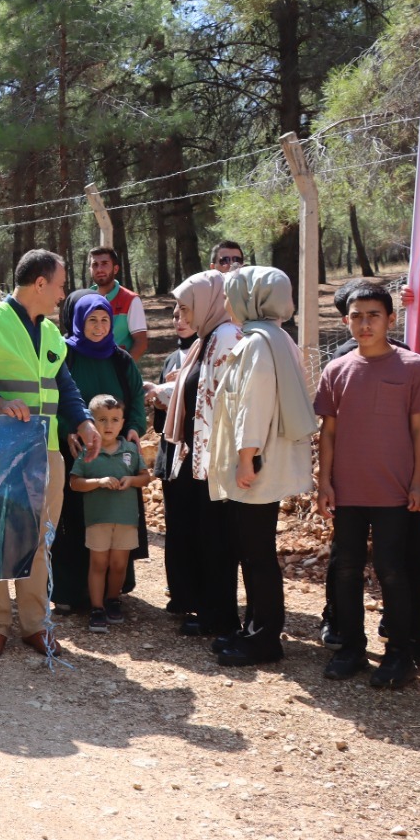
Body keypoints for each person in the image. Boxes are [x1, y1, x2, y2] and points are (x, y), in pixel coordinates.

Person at [0, 249, 99, 660]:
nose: (62, 292)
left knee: (39, 539)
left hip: (46, 450)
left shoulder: (53, 333)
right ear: (39, 284)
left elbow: (65, 387)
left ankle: (35, 625)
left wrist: (84, 420)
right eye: (60, 284)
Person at [314, 283, 420, 687]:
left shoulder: (412, 365)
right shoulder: (337, 368)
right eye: (356, 316)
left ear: (390, 318)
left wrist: (419, 482)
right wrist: (324, 482)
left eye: (373, 315)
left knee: (392, 570)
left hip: (396, 491)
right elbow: (327, 432)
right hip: (348, 491)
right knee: (346, 567)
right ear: (346, 320)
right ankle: (351, 647)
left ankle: (399, 654)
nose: (364, 324)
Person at [207, 266, 319, 668]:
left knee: (256, 554)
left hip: (256, 464)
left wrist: (245, 459)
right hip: (262, 461)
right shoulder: (276, 338)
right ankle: (253, 629)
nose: (226, 303)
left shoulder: (257, 343)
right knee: (254, 551)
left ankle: (263, 639)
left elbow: (252, 407)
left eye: (231, 293)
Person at [50, 292, 146, 614]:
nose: (99, 326)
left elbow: (136, 399)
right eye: (92, 319)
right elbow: (54, 395)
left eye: (105, 319)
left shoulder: (121, 359)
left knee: (112, 514)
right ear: (78, 320)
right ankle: (69, 590)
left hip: (116, 453)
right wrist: (68, 429)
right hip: (75, 451)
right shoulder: (65, 355)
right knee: (72, 519)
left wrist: (133, 427)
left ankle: (112, 593)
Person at [160, 271, 243, 639]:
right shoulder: (207, 338)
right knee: (207, 535)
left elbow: (221, 399)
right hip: (203, 456)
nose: (182, 314)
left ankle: (220, 616)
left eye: (186, 306)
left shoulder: (224, 337)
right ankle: (210, 610)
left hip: (216, 458)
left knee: (217, 539)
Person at [69, 395, 151, 632]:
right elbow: (75, 483)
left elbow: (146, 477)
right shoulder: (87, 452)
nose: (109, 425)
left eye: (114, 420)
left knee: (118, 564)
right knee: (98, 564)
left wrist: (131, 480)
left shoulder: (130, 450)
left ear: (123, 422)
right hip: (98, 519)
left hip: (126, 519)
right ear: (91, 423)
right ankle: (96, 608)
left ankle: (113, 600)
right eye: (102, 420)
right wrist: (98, 481)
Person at [147, 301, 196, 615]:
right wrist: (163, 400)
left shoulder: (215, 354)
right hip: (171, 453)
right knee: (176, 527)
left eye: (186, 314)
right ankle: (179, 594)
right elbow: (160, 423)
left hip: (198, 454)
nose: (179, 321)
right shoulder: (170, 359)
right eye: (175, 316)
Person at [86, 248, 148, 358]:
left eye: (104, 264)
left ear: (115, 269)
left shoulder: (131, 300)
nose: (99, 269)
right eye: (95, 265)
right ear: (90, 269)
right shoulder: (84, 300)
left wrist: (123, 370)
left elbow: (141, 342)